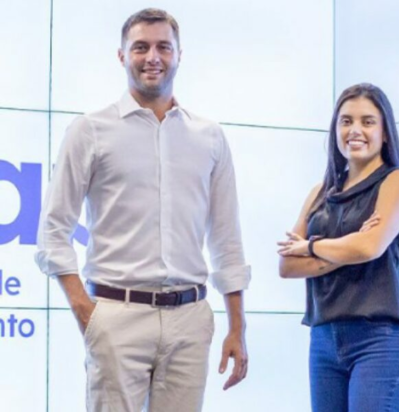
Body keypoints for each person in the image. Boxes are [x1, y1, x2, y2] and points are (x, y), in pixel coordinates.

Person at [35, 8, 250, 411]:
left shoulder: (209, 137)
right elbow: (52, 231)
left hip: (190, 320)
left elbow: (226, 238)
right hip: (117, 316)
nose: (153, 57)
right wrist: (86, 312)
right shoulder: (90, 131)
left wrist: (237, 326)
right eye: (141, 47)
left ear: (179, 55)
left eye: (163, 47)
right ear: (122, 56)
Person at [277, 83, 399, 412]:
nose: (355, 130)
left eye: (368, 122)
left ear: (385, 133)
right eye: (346, 121)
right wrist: (349, 246)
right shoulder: (320, 193)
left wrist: (311, 246)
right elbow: (287, 265)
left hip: (381, 339)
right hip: (324, 340)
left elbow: (369, 248)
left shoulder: (396, 182)